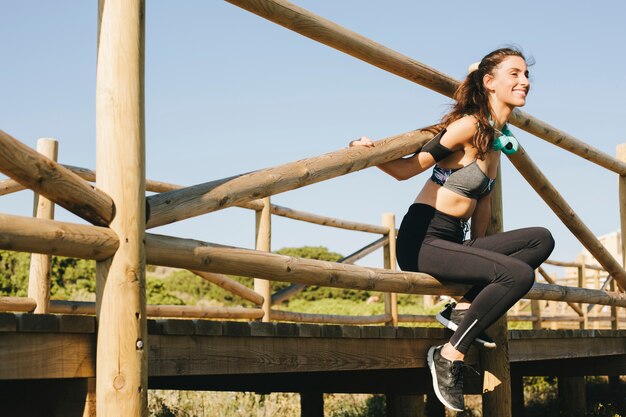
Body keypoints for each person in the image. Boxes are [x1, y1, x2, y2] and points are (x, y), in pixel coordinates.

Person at [349, 47, 555, 412]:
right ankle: (448, 355)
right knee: (518, 275)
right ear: (490, 83)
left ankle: (462, 308)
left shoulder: (496, 140)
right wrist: (364, 151)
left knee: (542, 238)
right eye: (515, 74)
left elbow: (483, 209)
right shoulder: (468, 126)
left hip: (455, 239)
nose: (524, 81)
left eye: (526, 75)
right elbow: (405, 170)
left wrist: (482, 259)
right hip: (423, 238)